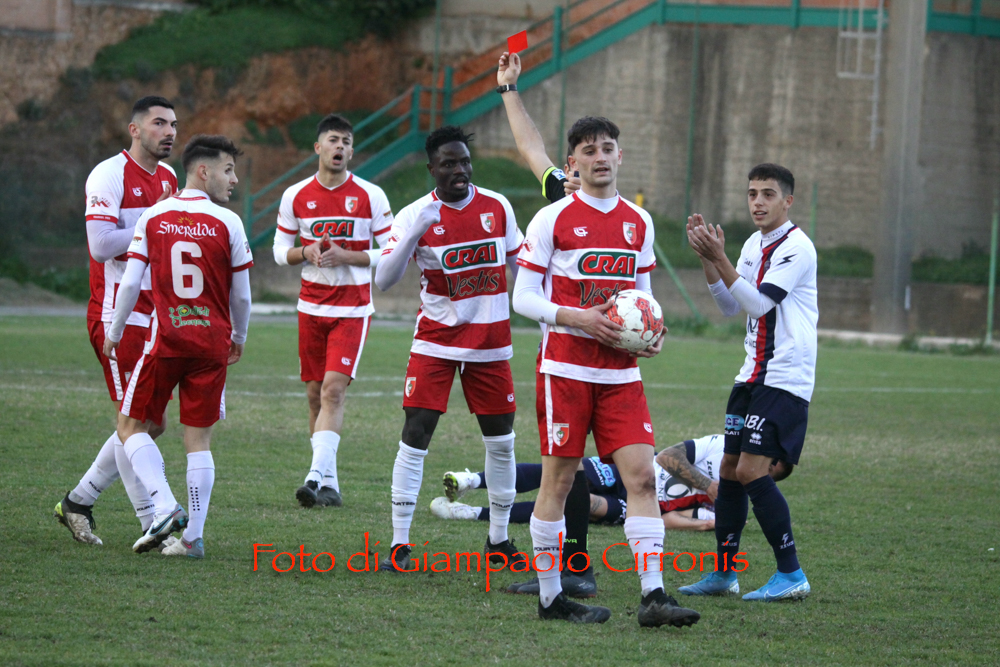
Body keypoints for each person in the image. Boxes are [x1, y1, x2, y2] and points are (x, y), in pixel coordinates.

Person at [511, 115, 700, 627]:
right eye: (589, 150)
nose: (600, 157)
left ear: (620, 156)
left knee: (642, 478)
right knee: (559, 482)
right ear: (572, 162)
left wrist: (653, 331)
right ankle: (551, 598)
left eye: (607, 148)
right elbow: (522, 297)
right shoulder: (551, 219)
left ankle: (654, 598)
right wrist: (577, 317)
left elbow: (644, 297)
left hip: (620, 374)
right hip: (564, 370)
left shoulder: (639, 222)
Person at [373, 125, 524, 572]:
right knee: (415, 435)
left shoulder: (497, 206)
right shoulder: (413, 215)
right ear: (431, 169)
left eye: (464, 161)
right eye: (449, 164)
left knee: (502, 443)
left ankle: (499, 541)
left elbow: (522, 269)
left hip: (491, 344)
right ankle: (399, 545)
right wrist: (415, 231)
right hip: (436, 342)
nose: (460, 170)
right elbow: (384, 279)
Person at [104, 135, 253, 558]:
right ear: (203, 171)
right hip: (211, 342)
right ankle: (193, 539)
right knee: (198, 440)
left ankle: (165, 505)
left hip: (166, 339)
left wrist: (115, 332)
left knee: (129, 426)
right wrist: (239, 338)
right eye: (228, 170)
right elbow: (242, 296)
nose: (234, 179)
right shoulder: (228, 222)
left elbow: (130, 283)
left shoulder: (154, 216)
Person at [681, 163, 817, 601]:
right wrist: (709, 260)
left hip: (784, 376)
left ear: (788, 201)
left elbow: (759, 305)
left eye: (768, 194)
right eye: (752, 193)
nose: (758, 202)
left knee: (750, 470)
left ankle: (791, 574)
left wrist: (720, 258)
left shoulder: (797, 248)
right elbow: (728, 305)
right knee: (728, 470)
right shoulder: (753, 245)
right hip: (751, 374)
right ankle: (724, 574)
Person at [496, 50, 598, 599]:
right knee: (568, 464)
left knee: (574, 465)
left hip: (594, 357)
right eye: (575, 164)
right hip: (562, 351)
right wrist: (509, 90)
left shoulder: (622, 217)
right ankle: (573, 566)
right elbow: (531, 148)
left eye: (598, 154)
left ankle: (572, 569)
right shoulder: (559, 201)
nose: (577, 172)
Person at [54, 96, 178, 546]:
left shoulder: (168, 177)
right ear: (134, 129)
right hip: (116, 317)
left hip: (154, 313)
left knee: (151, 423)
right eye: (159, 123)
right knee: (135, 423)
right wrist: (153, 221)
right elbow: (102, 244)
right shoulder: (108, 174)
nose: (169, 132)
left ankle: (79, 501)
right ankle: (154, 520)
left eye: (173, 125)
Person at [272, 113, 394, 509]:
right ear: (318, 148)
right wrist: (305, 251)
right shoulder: (295, 195)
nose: (339, 147)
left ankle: (312, 476)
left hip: (352, 309)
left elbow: (392, 251)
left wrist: (348, 256)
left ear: (352, 151)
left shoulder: (371, 195)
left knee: (333, 391)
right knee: (314, 395)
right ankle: (330, 485)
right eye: (333, 140)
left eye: (346, 141)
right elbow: (279, 252)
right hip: (310, 307)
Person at [431, 435, 793, 535]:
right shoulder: (723, 446)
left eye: (767, 478)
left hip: (637, 506)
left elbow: (665, 520)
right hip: (631, 472)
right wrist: (706, 484)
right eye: (769, 467)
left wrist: (703, 523)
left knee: (582, 506)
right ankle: (471, 480)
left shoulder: (732, 505)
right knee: (561, 476)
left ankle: (472, 513)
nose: (760, 474)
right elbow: (668, 457)